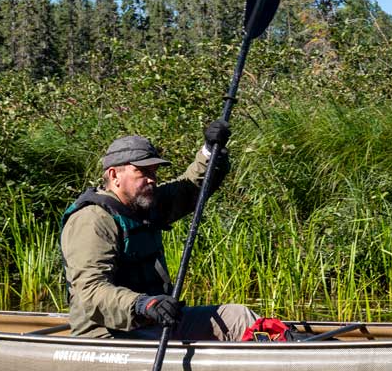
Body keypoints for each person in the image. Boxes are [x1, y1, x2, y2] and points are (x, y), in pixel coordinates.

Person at [60, 120, 260, 340]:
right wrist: (143, 304)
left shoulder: (145, 204)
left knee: (238, 317)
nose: (151, 179)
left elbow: (191, 188)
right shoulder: (92, 219)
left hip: (156, 321)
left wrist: (211, 151)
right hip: (109, 333)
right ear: (114, 175)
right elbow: (89, 291)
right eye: (142, 171)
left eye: (154, 172)